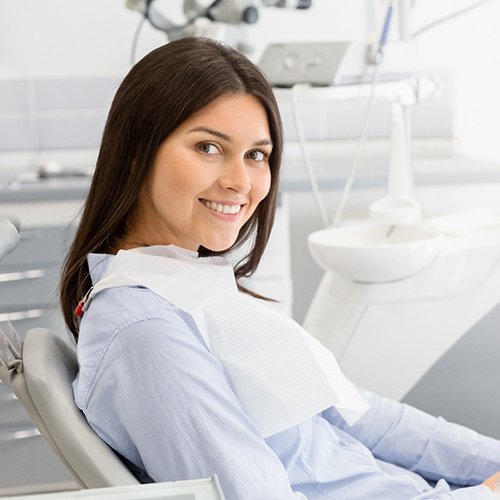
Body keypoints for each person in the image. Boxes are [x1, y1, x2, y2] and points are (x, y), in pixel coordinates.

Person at [60, 37, 500, 499]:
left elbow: (359, 415)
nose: (240, 182)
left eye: (257, 155)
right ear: (136, 151)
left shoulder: (181, 283)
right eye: (209, 147)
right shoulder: (145, 331)